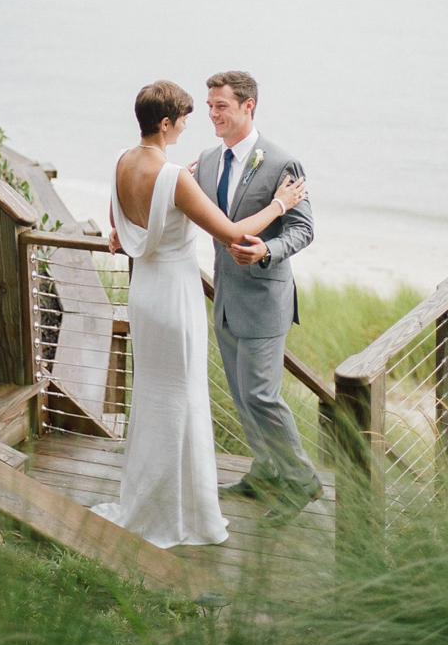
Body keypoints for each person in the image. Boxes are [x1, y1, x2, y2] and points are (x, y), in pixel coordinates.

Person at [91, 79, 306, 549]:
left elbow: (120, 229)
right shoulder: (177, 177)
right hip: (175, 299)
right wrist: (278, 204)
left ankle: (153, 499)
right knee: (181, 399)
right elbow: (231, 233)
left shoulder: (123, 162)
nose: (195, 124)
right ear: (166, 123)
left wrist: (175, 184)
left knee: (153, 397)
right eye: (188, 117)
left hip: (143, 294)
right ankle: (182, 510)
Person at [194, 70, 324, 524]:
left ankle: (302, 478)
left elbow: (303, 229)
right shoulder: (208, 161)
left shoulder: (282, 164)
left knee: (263, 396)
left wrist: (269, 249)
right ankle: (266, 469)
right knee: (240, 394)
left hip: (267, 302)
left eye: (221, 106)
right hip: (226, 299)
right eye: (209, 106)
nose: (212, 114)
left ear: (248, 106)